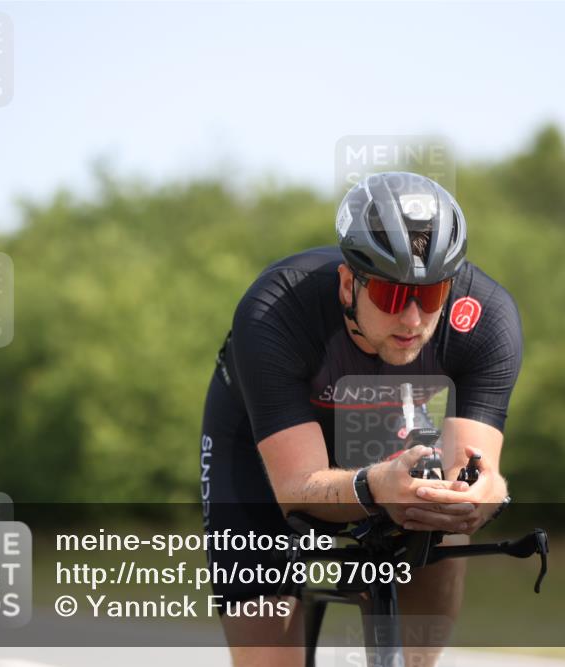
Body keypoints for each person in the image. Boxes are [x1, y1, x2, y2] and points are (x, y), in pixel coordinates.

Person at [201, 171, 523, 666]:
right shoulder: (275, 311)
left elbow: (475, 472)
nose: (413, 319)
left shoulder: (486, 319)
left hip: (382, 434)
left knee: (444, 518)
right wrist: (375, 488)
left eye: (431, 295)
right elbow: (296, 488)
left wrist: (481, 495)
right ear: (349, 282)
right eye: (393, 297)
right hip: (262, 445)